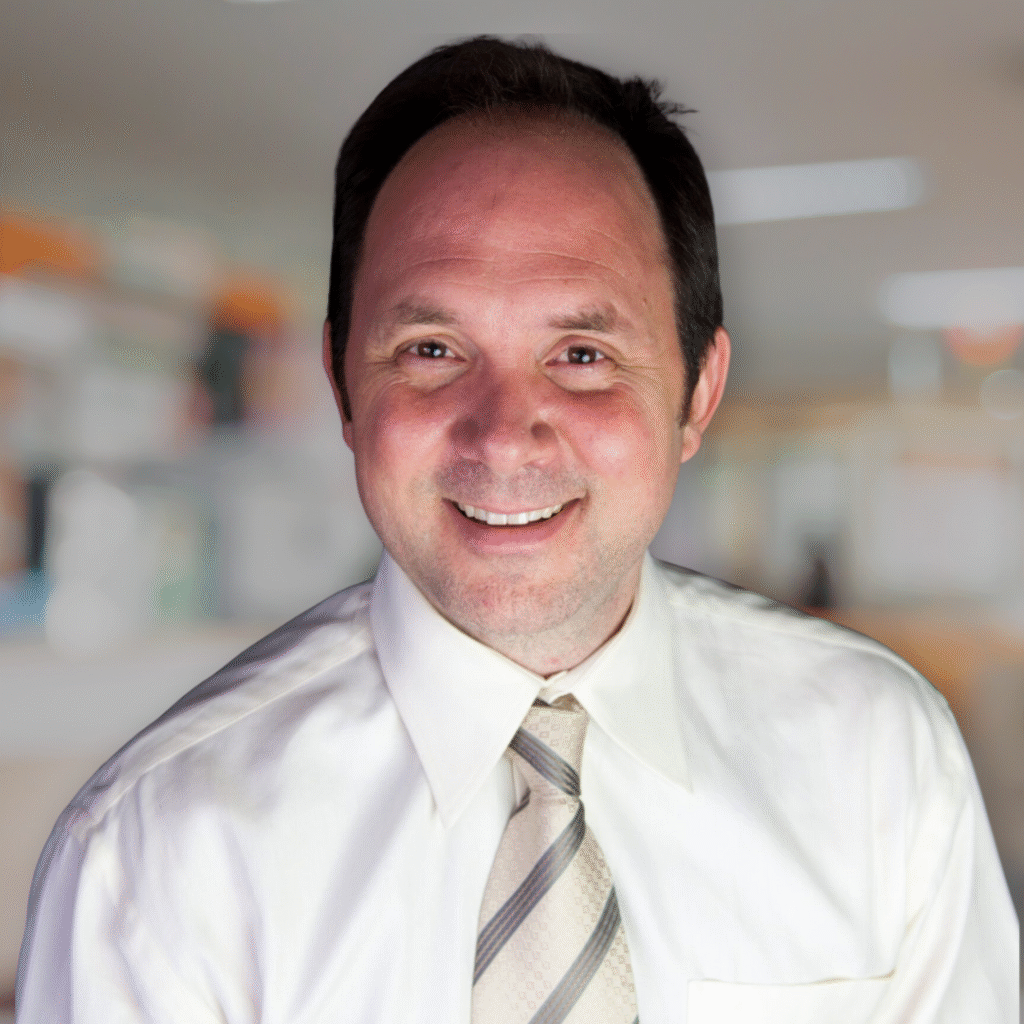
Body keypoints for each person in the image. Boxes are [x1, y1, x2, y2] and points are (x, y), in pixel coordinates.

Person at [16, 36, 1018, 1024]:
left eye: (581, 354)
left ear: (697, 392)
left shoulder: (879, 760)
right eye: (432, 349)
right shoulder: (158, 849)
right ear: (343, 384)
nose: (502, 435)